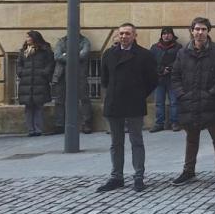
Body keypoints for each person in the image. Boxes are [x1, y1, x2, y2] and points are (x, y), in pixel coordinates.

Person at [170, 17, 215, 186]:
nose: (200, 32)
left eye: (203, 29)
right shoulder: (182, 53)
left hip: (211, 103)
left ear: (208, 31)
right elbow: (175, 76)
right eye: (197, 29)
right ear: (192, 31)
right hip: (190, 103)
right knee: (191, 140)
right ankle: (188, 171)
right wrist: (182, 94)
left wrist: (212, 93)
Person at [97, 23, 158, 193]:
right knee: (116, 142)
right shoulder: (109, 54)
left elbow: (153, 80)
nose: (124, 36)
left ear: (135, 36)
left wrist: (138, 93)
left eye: (128, 34)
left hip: (134, 103)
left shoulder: (144, 55)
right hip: (114, 103)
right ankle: (116, 177)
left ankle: (138, 176)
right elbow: (105, 79)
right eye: (121, 33)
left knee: (136, 141)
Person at [51, 32, 93, 134]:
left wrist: (66, 54)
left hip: (79, 74)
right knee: (59, 100)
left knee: (84, 99)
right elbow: (57, 56)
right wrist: (74, 55)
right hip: (61, 74)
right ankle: (59, 125)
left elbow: (84, 55)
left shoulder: (84, 41)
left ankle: (86, 124)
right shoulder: (62, 41)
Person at [16, 31, 54, 137]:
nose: (27, 39)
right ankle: (30, 130)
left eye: (29, 37)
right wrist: (21, 72)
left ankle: (38, 129)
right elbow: (19, 64)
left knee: (38, 106)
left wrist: (44, 73)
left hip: (40, 82)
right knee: (28, 107)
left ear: (34, 38)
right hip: (27, 82)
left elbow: (50, 63)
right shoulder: (24, 51)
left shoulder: (45, 50)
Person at [149, 27, 180, 133]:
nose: (166, 36)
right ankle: (159, 123)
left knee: (174, 102)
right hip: (159, 79)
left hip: (173, 78)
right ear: (161, 35)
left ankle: (175, 122)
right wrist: (161, 70)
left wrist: (169, 68)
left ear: (172, 35)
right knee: (159, 102)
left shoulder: (178, 47)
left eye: (168, 34)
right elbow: (150, 62)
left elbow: (180, 61)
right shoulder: (155, 47)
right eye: (164, 34)